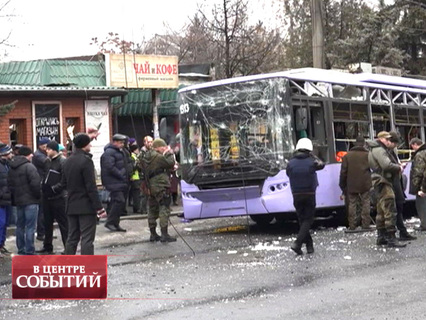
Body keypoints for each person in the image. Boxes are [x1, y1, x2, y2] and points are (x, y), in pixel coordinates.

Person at [62, 134, 106, 255]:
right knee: (87, 238)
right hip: (85, 206)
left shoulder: (67, 161)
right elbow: (91, 187)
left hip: (71, 204)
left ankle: (67, 263)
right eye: (89, 143)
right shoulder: (86, 161)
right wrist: (99, 208)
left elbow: (63, 183)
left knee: (72, 237)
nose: (90, 145)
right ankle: (87, 265)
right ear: (84, 145)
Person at [286, 138, 324, 255]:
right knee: (308, 219)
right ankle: (297, 243)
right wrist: (314, 156)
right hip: (309, 194)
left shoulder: (291, 163)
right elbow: (322, 165)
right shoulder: (311, 162)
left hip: (296, 194)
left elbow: (288, 174)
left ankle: (309, 245)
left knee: (302, 220)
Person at [368, 131, 406, 248]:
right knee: (390, 209)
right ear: (384, 139)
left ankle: (381, 237)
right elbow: (386, 165)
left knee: (380, 210)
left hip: (378, 181)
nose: (389, 142)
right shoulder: (380, 150)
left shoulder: (374, 149)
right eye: (388, 139)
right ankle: (391, 238)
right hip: (383, 181)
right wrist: (399, 167)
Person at [36, 140, 68, 254]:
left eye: (48, 149)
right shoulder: (47, 161)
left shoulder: (63, 161)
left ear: (54, 150)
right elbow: (45, 175)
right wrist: (43, 186)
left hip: (59, 197)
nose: (46, 151)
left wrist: (54, 188)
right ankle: (47, 246)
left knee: (63, 223)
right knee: (47, 222)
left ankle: (68, 248)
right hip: (46, 196)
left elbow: (64, 180)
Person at [8, 146, 41, 255]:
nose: (32, 155)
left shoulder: (11, 167)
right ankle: (29, 250)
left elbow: (10, 185)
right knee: (30, 227)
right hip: (31, 201)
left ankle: (21, 249)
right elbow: (36, 184)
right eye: (31, 154)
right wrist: (38, 197)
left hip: (18, 201)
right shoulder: (29, 167)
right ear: (27, 155)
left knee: (20, 226)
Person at [143, 138, 177, 242]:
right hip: (161, 185)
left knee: (152, 209)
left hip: (150, 186)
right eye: (163, 147)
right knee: (164, 208)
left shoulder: (146, 156)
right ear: (158, 147)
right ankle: (164, 234)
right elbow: (170, 163)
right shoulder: (158, 157)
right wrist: (169, 153)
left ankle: (153, 234)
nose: (164, 149)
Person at [387, 131, 416, 241]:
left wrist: (399, 165)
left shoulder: (391, 151)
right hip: (393, 182)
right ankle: (397, 233)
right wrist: (399, 167)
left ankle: (401, 231)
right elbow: (389, 166)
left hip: (396, 181)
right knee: (395, 208)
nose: (396, 146)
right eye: (395, 143)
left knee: (398, 207)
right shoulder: (386, 152)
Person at [339, 136, 372, 230]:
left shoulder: (347, 156)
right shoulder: (368, 155)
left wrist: (342, 185)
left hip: (351, 184)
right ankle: (365, 224)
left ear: (355, 143)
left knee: (352, 204)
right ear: (364, 143)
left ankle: (352, 226)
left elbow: (343, 172)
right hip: (365, 183)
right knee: (366, 203)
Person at [101, 133, 129, 232]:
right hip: (114, 182)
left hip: (120, 182)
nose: (122, 144)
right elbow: (110, 167)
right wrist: (121, 175)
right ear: (115, 142)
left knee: (118, 202)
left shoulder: (120, 152)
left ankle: (115, 223)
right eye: (120, 142)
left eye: (123, 143)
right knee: (119, 201)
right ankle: (110, 222)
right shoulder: (109, 153)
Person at [32, 137, 50, 241]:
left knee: (45, 211)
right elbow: (47, 162)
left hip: (43, 183)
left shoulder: (41, 154)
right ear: (40, 145)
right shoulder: (39, 155)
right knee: (42, 212)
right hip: (41, 185)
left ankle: (45, 232)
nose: (47, 147)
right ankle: (41, 233)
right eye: (45, 145)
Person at [409, 137, 426, 231]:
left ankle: (424, 224)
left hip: (423, 184)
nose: (412, 149)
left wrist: (417, 188)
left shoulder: (420, 154)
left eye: (412, 147)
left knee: (421, 204)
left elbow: (418, 172)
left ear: (415, 144)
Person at [0, 143, 13, 255]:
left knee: (5, 224)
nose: (12, 154)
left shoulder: (8, 165)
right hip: (2, 200)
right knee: (1, 223)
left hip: (8, 199)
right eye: (9, 152)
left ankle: (1, 245)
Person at [139, 135, 153, 214]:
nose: (150, 144)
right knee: (144, 194)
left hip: (151, 176)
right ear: (145, 143)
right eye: (148, 142)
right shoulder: (142, 153)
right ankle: (143, 209)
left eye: (151, 142)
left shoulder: (152, 151)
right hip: (144, 176)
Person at [129, 144, 142, 213]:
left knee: (137, 193)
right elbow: (132, 167)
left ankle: (137, 207)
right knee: (136, 194)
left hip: (137, 177)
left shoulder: (135, 157)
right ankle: (136, 208)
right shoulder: (133, 157)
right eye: (137, 149)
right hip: (135, 177)